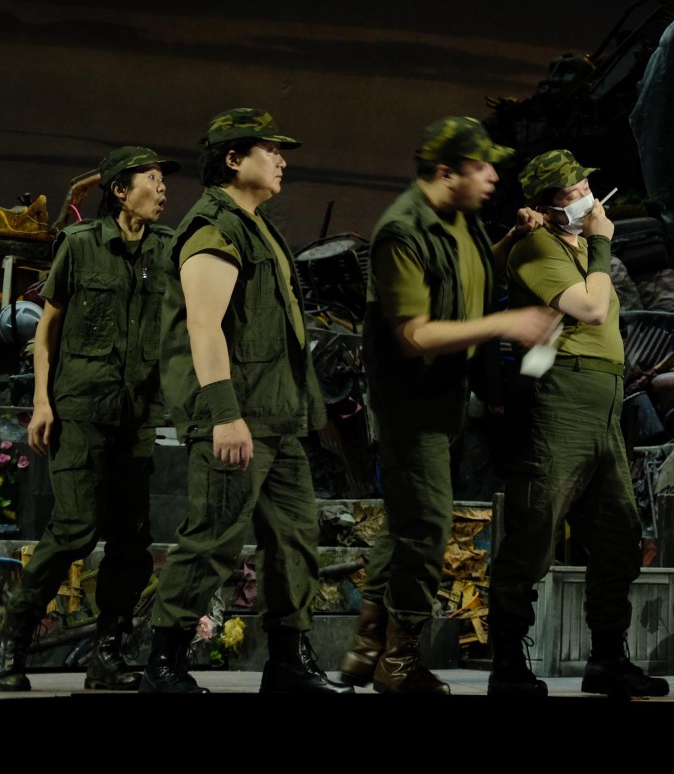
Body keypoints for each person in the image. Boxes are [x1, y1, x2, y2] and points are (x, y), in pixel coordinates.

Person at [339, 118, 559, 695]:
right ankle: (400, 659)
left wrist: (507, 242)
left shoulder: (462, 219)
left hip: (447, 400)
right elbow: (414, 333)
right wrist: (506, 322)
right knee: (430, 525)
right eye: (480, 167)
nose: (493, 177)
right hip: (410, 405)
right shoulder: (401, 232)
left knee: (409, 523)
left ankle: (368, 646)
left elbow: (468, 276)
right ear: (445, 172)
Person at [143, 109, 351, 695]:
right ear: (233, 159)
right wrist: (225, 414)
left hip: (276, 416)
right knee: (213, 539)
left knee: (295, 541)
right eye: (270, 150)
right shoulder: (214, 226)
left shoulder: (257, 226)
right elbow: (203, 326)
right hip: (238, 416)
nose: (282, 160)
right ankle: (163, 664)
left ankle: (288, 661)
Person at [489, 150, 669, 699]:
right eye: (572, 191)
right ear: (547, 205)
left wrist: (595, 245)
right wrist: (603, 242)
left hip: (605, 403)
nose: (586, 195)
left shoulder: (581, 247)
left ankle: (607, 659)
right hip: (560, 399)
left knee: (617, 537)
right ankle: (507, 663)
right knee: (533, 534)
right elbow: (589, 309)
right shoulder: (538, 247)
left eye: (586, 183)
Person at [1, 147, 179, 693]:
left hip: (137, 414)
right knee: (74, 528)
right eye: (152, 179)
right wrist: (42, 401)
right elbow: (46, 329)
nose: (162, 188)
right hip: (80, 409)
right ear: (120, 190)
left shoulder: (169, 249)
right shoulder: (80, 244)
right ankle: (13, 641)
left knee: (131, 539)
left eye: (163, 180)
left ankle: (107, 655)